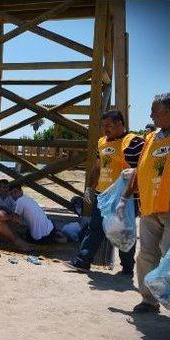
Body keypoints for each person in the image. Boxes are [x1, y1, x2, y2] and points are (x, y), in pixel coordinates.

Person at [65, 110, 145, 275]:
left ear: (120, 124)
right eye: (103, 126)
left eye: (108, 126)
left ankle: (127, 268)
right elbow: (97, 166)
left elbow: (139, 171)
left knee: (124, 232)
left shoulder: (133, 142)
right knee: (95, 228)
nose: (105, 129)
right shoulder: (102, 142)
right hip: (103, 196)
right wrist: (89, 187)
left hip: (125, 198)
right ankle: (82, 262)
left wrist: (131, 197)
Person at [118, 93, 170, 313]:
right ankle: (149, 300)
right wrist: (125, 196)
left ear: (168, 112)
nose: (150, 115)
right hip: (149, 208)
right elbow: (140, 170)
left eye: (154, 110)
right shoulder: (150, 138)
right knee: (147, 256)